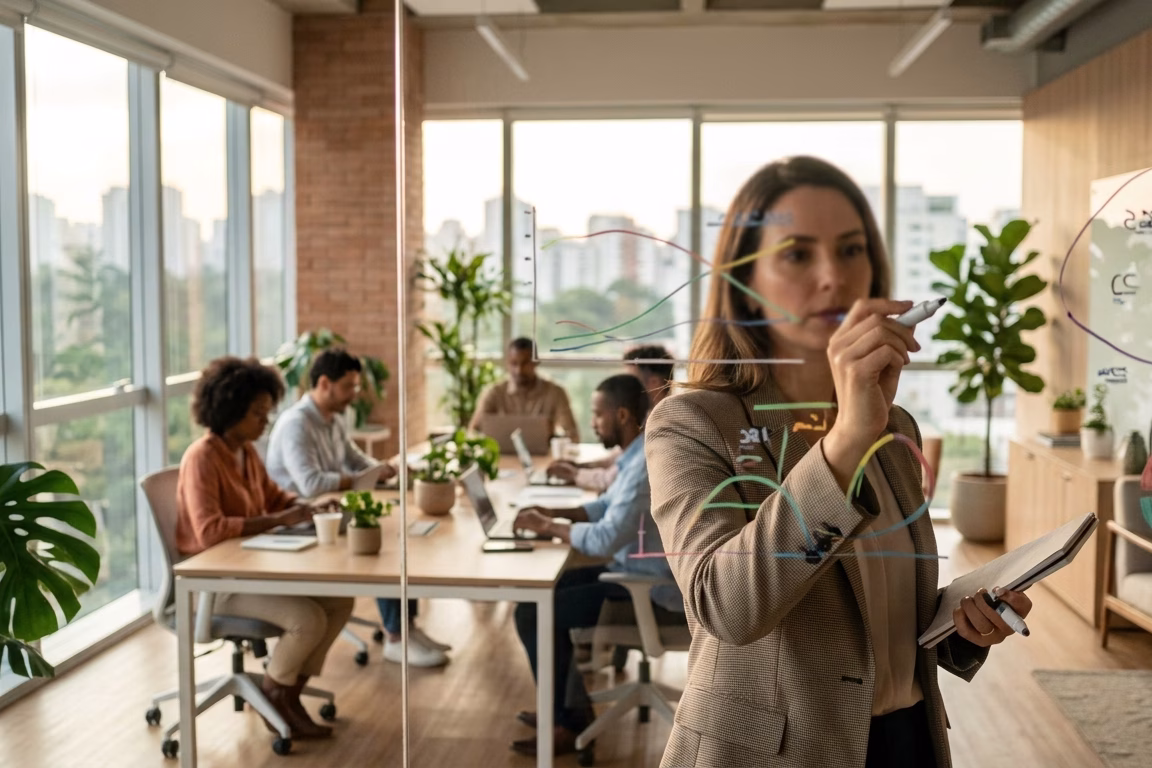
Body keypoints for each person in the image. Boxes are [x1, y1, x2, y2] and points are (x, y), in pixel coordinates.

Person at [644, 156, 1034, 768]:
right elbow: (726, 609)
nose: (833, 276)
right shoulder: (693, 421)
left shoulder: (894, 425)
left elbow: (885, 610)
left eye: (851, 250)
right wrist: (845, 440)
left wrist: (962, 629)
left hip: (906, 742)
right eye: (798, 254)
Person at [176, 356, 355, 740]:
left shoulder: (246, 453)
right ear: (230, 411)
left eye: (266, 412)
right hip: (214, 586)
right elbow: (210, 532)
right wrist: (279, 520)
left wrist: (305, 506)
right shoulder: (202, 458)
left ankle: (288, 693)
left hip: (250, 572)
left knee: (340, 600)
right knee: (308, 619)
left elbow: (274, 498)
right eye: (257, 414)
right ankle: (273, 693)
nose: (265, 422)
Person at [509, 374, 683, 757]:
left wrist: (550, 527)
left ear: (621, 415)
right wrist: (553, 512)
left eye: (597, 414)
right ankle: (566, 711)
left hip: (649, 589)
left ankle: (567, 723)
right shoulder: (637, 455)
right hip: (633, 572)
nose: (592, 423)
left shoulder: (642, 468)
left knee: (532, 612)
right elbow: (606, 508)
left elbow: (606, 537)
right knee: (543, 593)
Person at [266, 348, 450, 667]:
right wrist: (359, 479)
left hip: (334, 514)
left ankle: (406, 627)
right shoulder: (296, 424)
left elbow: (354, 460)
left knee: (401, 534)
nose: (356, 393)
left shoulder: (334, 419)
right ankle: (396, 637)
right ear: (325, 383)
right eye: (349, 386)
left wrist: (383, 469)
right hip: (303, 525)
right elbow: (311, 484)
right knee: (389, 547)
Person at [547, 345, 674, 491]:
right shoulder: (648, 416)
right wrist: (581, 466)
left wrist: (575, 474)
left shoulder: (664, 427)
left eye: (631, 380)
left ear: (654, 384)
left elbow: (614, 479)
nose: (624, 387)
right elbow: (621, 457)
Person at [469, 337, 580, 441]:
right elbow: (473, 432)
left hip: (544, 459)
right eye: (514, 363)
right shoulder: (494, 392)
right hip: (502, 458)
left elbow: (573, 435)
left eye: (525, 363)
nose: (519, 370)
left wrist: (553, 437)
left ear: (536, 362)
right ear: (507, 363)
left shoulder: (556, 392)